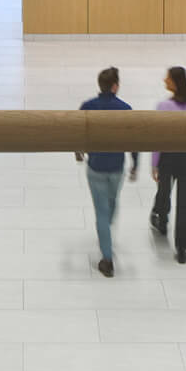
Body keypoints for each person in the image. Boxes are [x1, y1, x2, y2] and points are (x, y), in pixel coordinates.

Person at [75, 67, 137, 277]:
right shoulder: (125, 109)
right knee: (112, 203)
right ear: (115, 86)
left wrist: (78, 151)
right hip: (117, 167)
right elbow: (134, 139)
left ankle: (107, 256)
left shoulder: (88, 106)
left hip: (96, 167)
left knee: (101, 211)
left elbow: (74, 129)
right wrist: (135, 162)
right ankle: (106, 238)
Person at [149, 66, 186, 264]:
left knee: (164, 190)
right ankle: (182, 247)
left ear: (175, 82)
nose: (164, 80)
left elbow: (157, 138)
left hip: (168, 156)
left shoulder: (163, 107)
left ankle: (161, 219)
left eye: (167, 78)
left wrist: (155, 164)